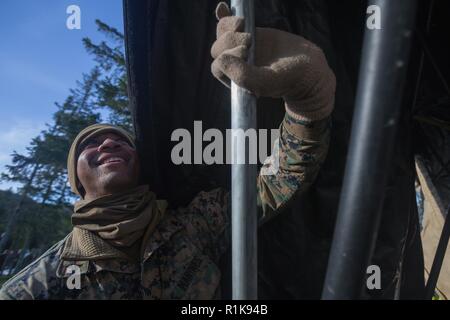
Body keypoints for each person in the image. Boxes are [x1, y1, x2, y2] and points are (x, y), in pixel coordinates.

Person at [0, 2, 335, 299]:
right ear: (76, 178)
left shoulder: (196, 225)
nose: (108, 143)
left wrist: (308, 96)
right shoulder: (38, 286)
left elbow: (276, 185)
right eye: (91, 144)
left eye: (120, 141)